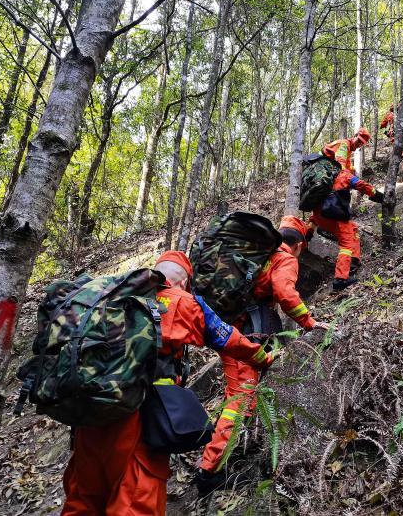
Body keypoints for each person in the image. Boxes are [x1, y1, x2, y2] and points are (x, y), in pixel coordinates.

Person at [61, 251, 274, 516]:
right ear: (184, 281)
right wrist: (262, 357)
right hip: (137, 417)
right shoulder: (182, 302)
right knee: (135, 499)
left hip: (88, 414)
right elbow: (228, 338)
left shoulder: (115, 296)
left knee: (83, 499)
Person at [196, 216, 330, 494]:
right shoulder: (284, 258)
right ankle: (209, 470)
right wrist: (310, 322)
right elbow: (284, 292)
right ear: (299, 245)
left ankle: (227, 449)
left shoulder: (256, 256)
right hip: (246, 331)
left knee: (239, 393)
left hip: (227, 324)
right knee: (241, 397)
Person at [310, 128, 384, 291]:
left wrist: (311, 228)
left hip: (320, 214)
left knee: (353, 228)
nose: (359, 145)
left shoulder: (322, 182)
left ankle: (355, 259)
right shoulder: (342, 155)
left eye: (361, 144)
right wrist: (378, 196)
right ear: (354, 136)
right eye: (358, 141)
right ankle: (340, 279)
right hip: (333, 211)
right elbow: (360, 184)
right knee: (346, 242)